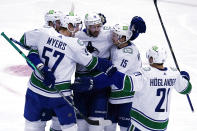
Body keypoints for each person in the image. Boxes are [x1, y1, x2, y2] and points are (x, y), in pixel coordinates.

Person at [20, 13, 116, 131]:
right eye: (76, 26)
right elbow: (91, 63)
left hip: (35, 90)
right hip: (59, 94)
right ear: (70, 25)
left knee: (32, 125)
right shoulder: (75, 44)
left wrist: (40, 62)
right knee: (68, 127)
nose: (78, 30)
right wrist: (108, 65)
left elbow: (24, 41)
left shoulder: (44, 32)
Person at [71, 45, 192, 131]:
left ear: (151, 58)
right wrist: (185, 77)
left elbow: (126, 83)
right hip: (162, 124)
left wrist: (111, 71)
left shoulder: (146, 73)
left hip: (142, 123)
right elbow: (186, 89)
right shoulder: (173, 73)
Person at [104, 22, 143, 131]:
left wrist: (92, 82)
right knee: (108, 127)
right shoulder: (119, 45)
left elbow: (112, 75)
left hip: (127, 98)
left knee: (125, 128)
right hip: (113, 97)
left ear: (123, 38)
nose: (112, 36)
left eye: (116, 35)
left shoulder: (128, 53)